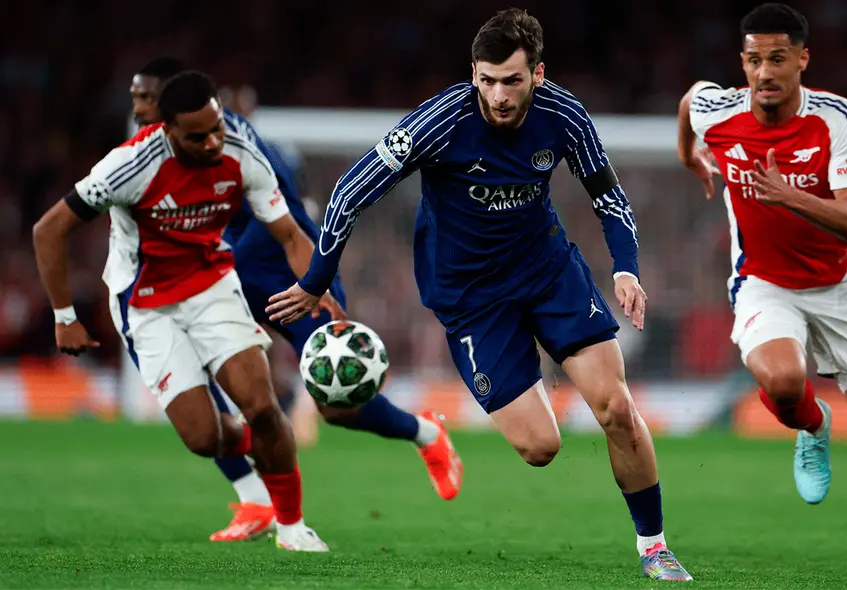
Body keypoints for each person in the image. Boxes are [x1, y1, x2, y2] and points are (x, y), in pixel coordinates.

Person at [267, 8, 693, 582]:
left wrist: (626, 268)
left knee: (616, 406)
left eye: (511, 81)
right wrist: (316, 280)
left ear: (537, 74)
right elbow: (349, 190)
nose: (497, 94)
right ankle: (531, 368)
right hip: (471, 299)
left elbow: (606, 194)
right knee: (541, 446)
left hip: (547, 271)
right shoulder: (440, 121)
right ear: (474, 73)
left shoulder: (564, 114)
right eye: (486, 80)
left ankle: (654, 547)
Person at [127, 58, 464, 542]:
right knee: (194, 377)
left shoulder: (236, 142)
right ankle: (253, 498)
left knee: (336, 402)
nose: (137, 112)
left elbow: (285, 217)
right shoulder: (151, 152)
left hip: (292, 270)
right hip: (227, 274)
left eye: (146, 102)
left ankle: (426, 434)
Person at [33, 71, 330, 551]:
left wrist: (312, 284)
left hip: (213, 286)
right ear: (167, 130)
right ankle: (252, 461)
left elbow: (291, 233)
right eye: (198, 135)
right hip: (147, 305)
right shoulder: (128, 167)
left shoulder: (240, 150)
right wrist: (64, 315)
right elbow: (48, 230)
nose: (213, 142)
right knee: (202, 437)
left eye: (216, 127)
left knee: (264, 408)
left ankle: (293, 526)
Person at [676, 2, 847, 570]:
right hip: (763, 281)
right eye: (755, 59)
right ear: (743, 62)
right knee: (784, 382)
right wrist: (689, 154)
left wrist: (789, 196)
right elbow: (691, 102)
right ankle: (813, 426)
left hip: (838, 281)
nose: (765, 72)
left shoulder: (839, 119)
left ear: (803, 60)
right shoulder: (722, 108)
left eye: (778, 58)